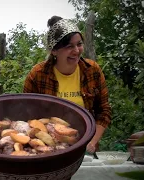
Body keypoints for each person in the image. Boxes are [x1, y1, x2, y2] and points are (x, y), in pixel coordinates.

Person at [23, 16, 111, 153]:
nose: (76, 51)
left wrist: (92, 143)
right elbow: (28, 116)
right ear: (54, 50)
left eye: (79, 44)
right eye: (69, 46)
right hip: (48, 150)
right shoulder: (38, 75)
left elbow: (104, 112)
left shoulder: (92, 71)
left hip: (86, 148)